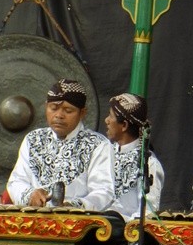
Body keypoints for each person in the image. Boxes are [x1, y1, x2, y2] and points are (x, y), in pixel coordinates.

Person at [6, 79, 115, 211]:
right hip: (35, 222)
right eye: (53, 108)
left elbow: (103, 191)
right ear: (46, 106)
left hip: (77, 225)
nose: (59, 115)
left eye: (68, 110)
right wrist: (30, 195)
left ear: (82, 113)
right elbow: (16, 181)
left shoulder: (98, 144)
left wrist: (72, 206)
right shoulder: (33, 139)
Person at [104, 92, 164, 222]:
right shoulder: (103, 154)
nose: (106, 120)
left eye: (110, 116)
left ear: (124, 125)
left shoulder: (148, 164)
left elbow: (147, 212)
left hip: (122, 236)